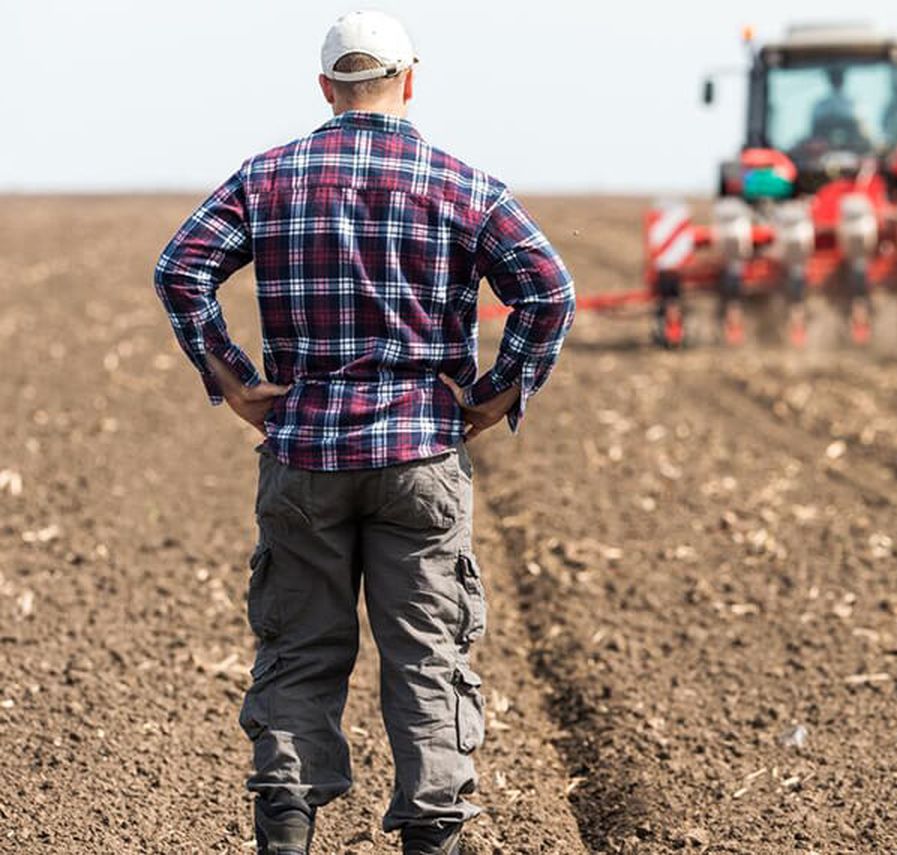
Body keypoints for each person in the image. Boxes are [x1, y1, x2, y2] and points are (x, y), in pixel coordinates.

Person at [152, 11, 575, 855]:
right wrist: (494, 396)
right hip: (421, 454)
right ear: (410, 81)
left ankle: (285, 832)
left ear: (326, 90)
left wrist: (232, 378)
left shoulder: (268, 177)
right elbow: (550, 290)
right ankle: (433, 837)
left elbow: (181, 268)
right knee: (427, 654)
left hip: (303, 456)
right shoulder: (462, 183)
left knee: (300, 650)